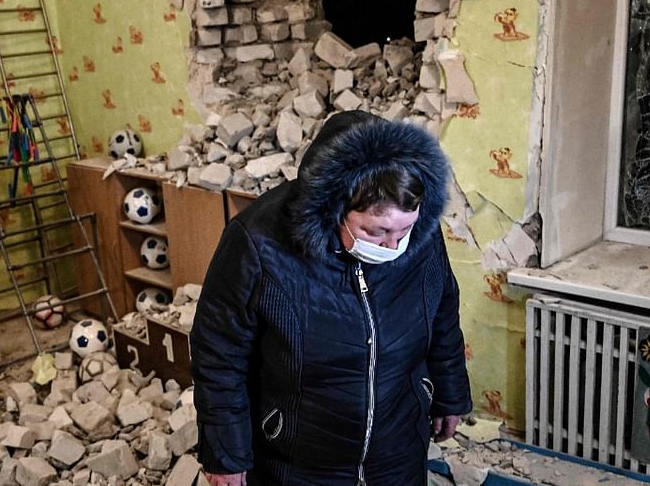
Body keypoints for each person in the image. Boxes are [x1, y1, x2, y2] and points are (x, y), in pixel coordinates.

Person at [191, 110, 471, 485]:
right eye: (376, 231)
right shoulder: (259, 242)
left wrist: (450, 393)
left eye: (404, 228)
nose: (394, 244)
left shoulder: (418, 238)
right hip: (297, 460)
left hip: (398, 447)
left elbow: (442, 315)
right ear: (336, 206)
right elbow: (219, 350)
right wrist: (226, 454)